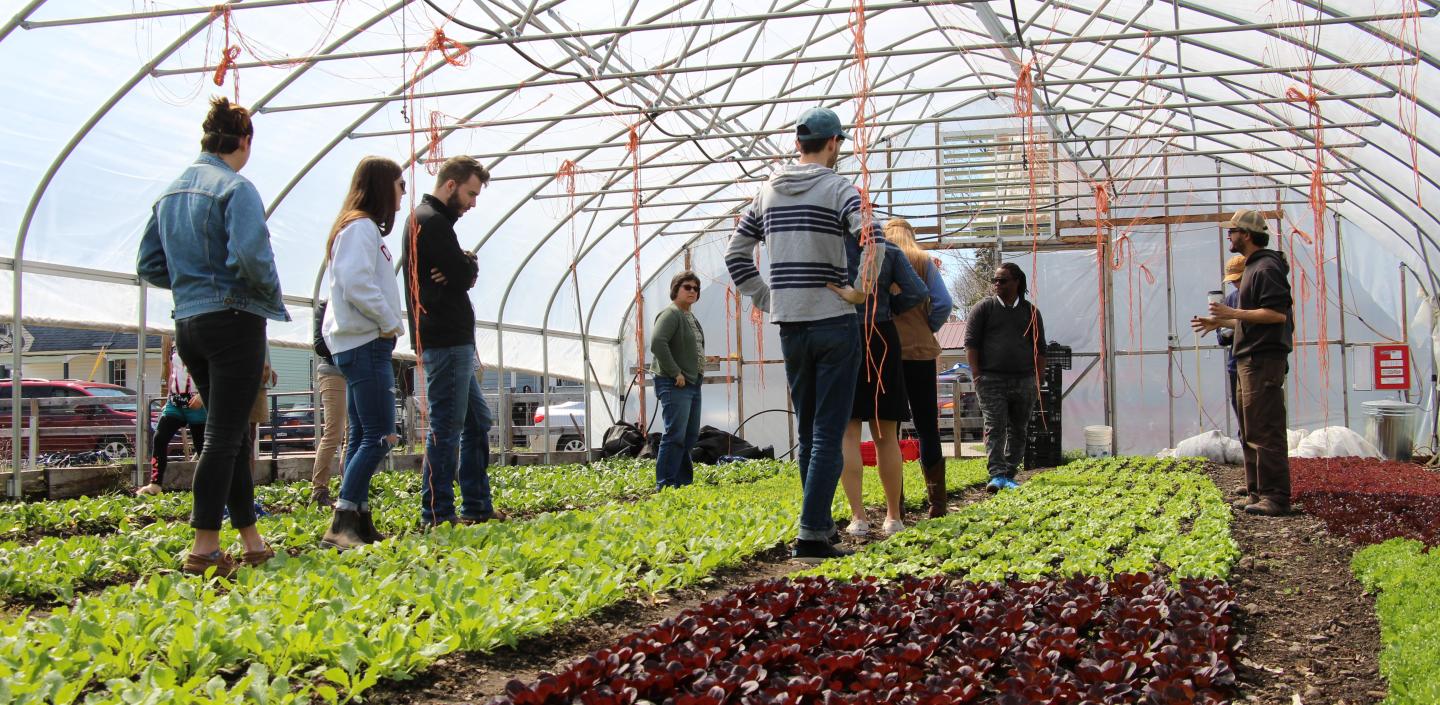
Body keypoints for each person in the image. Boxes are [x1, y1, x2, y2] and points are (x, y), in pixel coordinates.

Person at [726, 107, 882, 563]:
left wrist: (768, 297)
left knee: (810, 429)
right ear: (834, 143)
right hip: (833, 320)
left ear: (799, 144)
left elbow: (737, 254)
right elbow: (870, 239)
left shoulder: (766, 193)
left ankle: (819, 523)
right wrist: (861, 291)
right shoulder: (841, 189)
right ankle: (812, 534)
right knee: (829, 431)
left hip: (790, 327)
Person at [136, 96, 284, 577]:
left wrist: (190, 283)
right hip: (233, 320)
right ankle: (203, 547)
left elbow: (149, 265)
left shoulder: (171, 193)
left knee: (232, 434)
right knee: (222, 436)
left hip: (189, 324)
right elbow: (251, 257)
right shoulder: (236, 189)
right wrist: (265, 296)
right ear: (244, 141)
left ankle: (252, 540)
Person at [401, 155, 503, 527]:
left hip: (451, 339)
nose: (473, 203)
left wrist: (467, 263)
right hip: (444, 338)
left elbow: (463, 269)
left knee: (477, 422)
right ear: (450, 185)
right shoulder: (430, 222)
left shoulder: (435, 222)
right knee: (446, 427)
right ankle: (437, 513)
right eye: (470, 194)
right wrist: (465, 268)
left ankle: (476, 504)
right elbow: (459, 275)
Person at [319, 156, 407, 549]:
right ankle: (341, 522)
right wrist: (388, 321)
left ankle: (360, 516)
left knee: (361, 436)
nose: (403, 191)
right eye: (399, 184)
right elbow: (355, 282)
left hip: (359, 342)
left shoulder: (358, 228)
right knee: (381, 434)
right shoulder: (362, 227)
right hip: (366, 342)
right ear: (381, 186)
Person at [1192, 210, 1293, 517]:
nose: (1229, 237)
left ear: (1246, 235)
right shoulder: (1253, 268)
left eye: (1232, 231)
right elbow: (1258, 319)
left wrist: (1233, 314)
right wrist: (1219, 321)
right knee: (1250, 429)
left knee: (1265, 429)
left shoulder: (1266, 267)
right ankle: (1257, 491)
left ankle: (1275, 497)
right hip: (1250, 356)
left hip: (1263, 359)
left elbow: (1277, 316)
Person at [839, 235, 927, 537]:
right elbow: (918, 290)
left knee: (848, 431)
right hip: (882, 336)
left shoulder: (830, 245)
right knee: (886, 433)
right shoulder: (887, 248)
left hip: (843, 334)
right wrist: (889, 305)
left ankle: (858, 517)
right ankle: (893, 517)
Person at [884, 217, 955, 517]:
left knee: (889, 431)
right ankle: (937, 503)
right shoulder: (923, 261)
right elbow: (943, 303)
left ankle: (896, 506)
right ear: (911, 235)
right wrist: (928, 327)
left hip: (886, 352)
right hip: (922, 353)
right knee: (928, 427)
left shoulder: (880, 260)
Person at [965, 262, 1046, 493]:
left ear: (1017, 282)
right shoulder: (983, 309)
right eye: (995, 281)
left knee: (1019, 428)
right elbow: (971, 344)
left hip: (1024, 380)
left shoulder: (1030, 312)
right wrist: (977, 375)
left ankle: (1010, 474)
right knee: (995, 426)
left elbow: (1040, 349)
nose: (997, 284)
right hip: (991, 380)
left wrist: (1037, 380)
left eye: (1002, 280)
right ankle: (996, 474)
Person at [649, 271, 706, 489]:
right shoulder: (671, 314)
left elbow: (684, 345)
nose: (692, 291)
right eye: (687, 287)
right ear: (676, 289)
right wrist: (676, 373)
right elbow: (658, 343)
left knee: (690, 436)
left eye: (696, 288)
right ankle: (665, 483)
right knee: (675, 434)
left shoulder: (689, 317)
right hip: (675, 383)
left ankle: (682, 484)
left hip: (692, 382)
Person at [136, 389, 206, 496]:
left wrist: (203, 395)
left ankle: (215, 486)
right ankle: (155, 485)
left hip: (198, 404)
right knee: (159, 438)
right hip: (175, 403)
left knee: (202, 448)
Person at [310, 302, 345, 507]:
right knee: (334, 431)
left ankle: (349, 486)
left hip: (355, 371)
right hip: (333, 371)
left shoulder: (355, 298)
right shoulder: (325, 307)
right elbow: (319, 344)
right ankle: (319, 489)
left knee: (354, 433)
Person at [1214, 254, 1246, 427]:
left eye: (1238, 279)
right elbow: (1221, 338)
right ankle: (1247, 448)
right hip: (1236, 361)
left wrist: (1234, 322)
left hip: (1254, 362)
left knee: (1256, 413)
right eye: (1233, 281)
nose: (1236, 283)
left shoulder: (1257, 296)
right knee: (1240, 409)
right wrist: (1225, 330)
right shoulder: (1231, 299)